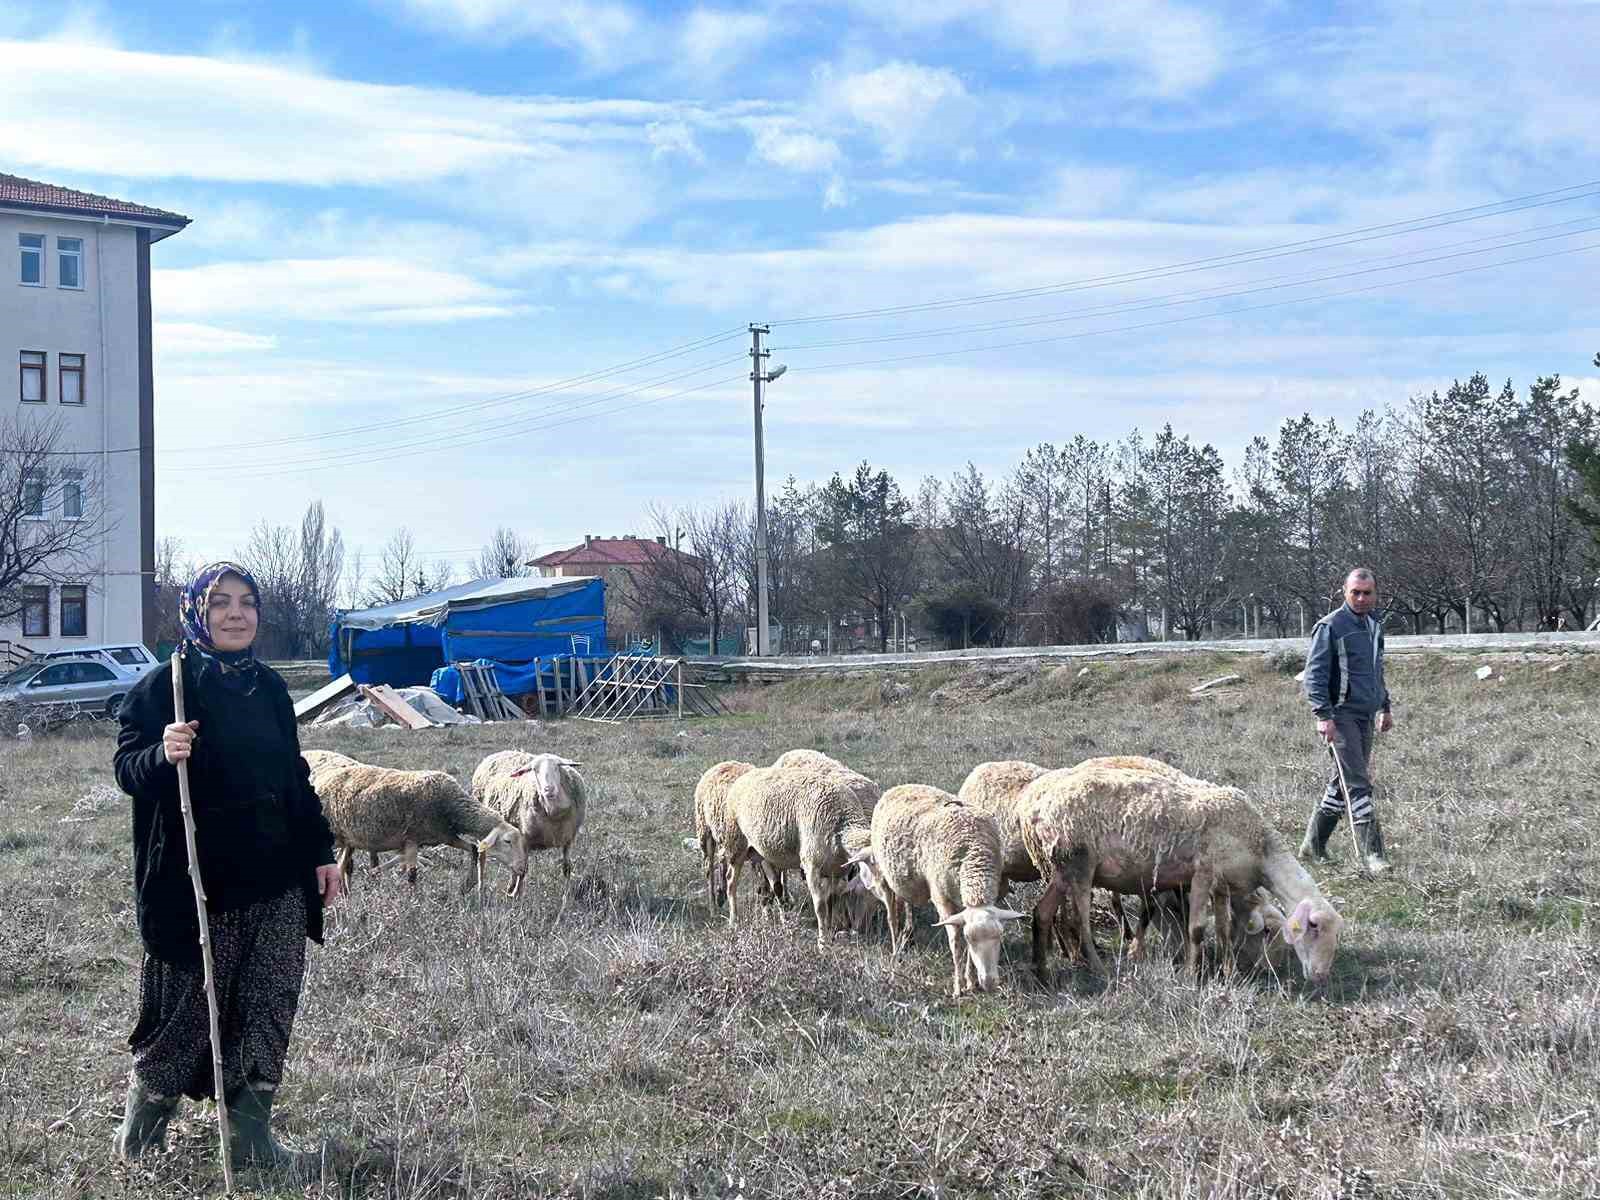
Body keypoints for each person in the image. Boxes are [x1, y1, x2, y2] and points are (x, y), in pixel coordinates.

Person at [111, 562, 341, 1170]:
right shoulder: (166, 686)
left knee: (268, 1004)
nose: (236, 614)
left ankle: (250, 1143)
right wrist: (162, 752)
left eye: (246, 602)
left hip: (276, 879)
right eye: (220, 603)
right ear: (197, 612)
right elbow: (128, 770)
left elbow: (294, 777)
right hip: (195, 886)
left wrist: (320, 852)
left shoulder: (267, 688)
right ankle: (139, 1143)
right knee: (185, 1014)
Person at [1299, 567, 1394, 872]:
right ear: (1345, 592)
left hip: (1366, 715)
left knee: (1341, 783)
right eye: (1356, 592)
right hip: (1340, 717)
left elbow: (1376, 670)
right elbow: (1314, 675)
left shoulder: (1374, 626)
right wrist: (1323, 716)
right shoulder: (1330, 626)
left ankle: (1313, 847)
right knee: (1358, 783)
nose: (1362, 598)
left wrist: (1384, 706)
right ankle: (1373, 856)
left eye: (1367, 593)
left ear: (1376, 594)